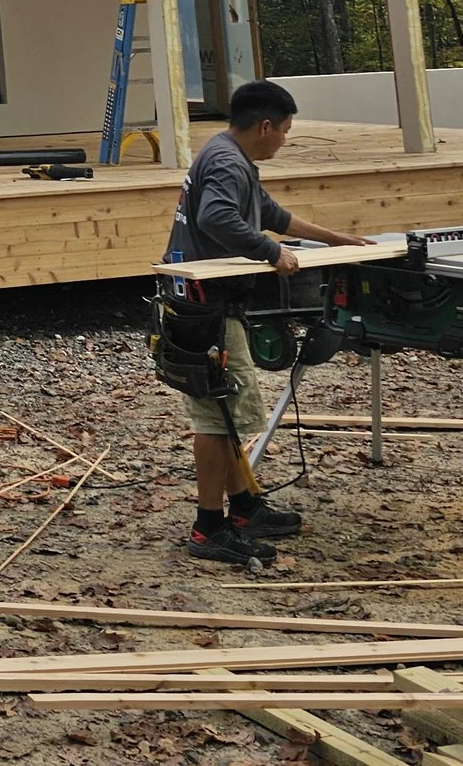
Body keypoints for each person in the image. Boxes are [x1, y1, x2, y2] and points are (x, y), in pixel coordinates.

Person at [159, 79, 374, 564]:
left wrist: (336, 240)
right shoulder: (227, 163)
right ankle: (208, 528)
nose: (284, 140)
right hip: (206, 307)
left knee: (227, 413)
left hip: (208, 303)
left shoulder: (227, 154)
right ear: (264, 126)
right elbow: (217, 218)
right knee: (217, 418)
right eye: (285, 131)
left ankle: (244, 508)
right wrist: (270, 252)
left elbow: (271, 213)